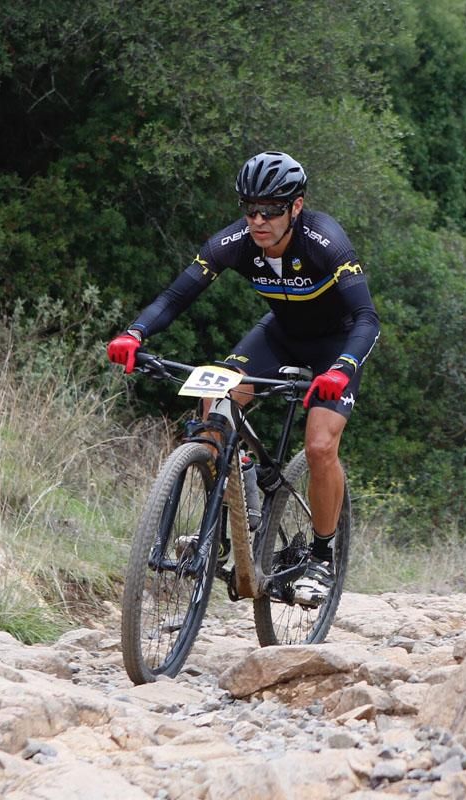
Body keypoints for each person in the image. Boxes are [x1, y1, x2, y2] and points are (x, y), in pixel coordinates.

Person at [106, 151, 380, 595]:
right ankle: (231, 513)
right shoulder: (234, 243)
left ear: (296, 206)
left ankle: (322, 557)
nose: (258, 220)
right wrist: (134, 334)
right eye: (249, 208)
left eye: (271, 210)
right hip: (278, 335)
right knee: (215, 401)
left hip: (338, 343)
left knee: (319, 446)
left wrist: (343, 369)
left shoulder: (325, 241)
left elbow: (368, 318)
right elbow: (175, 297)